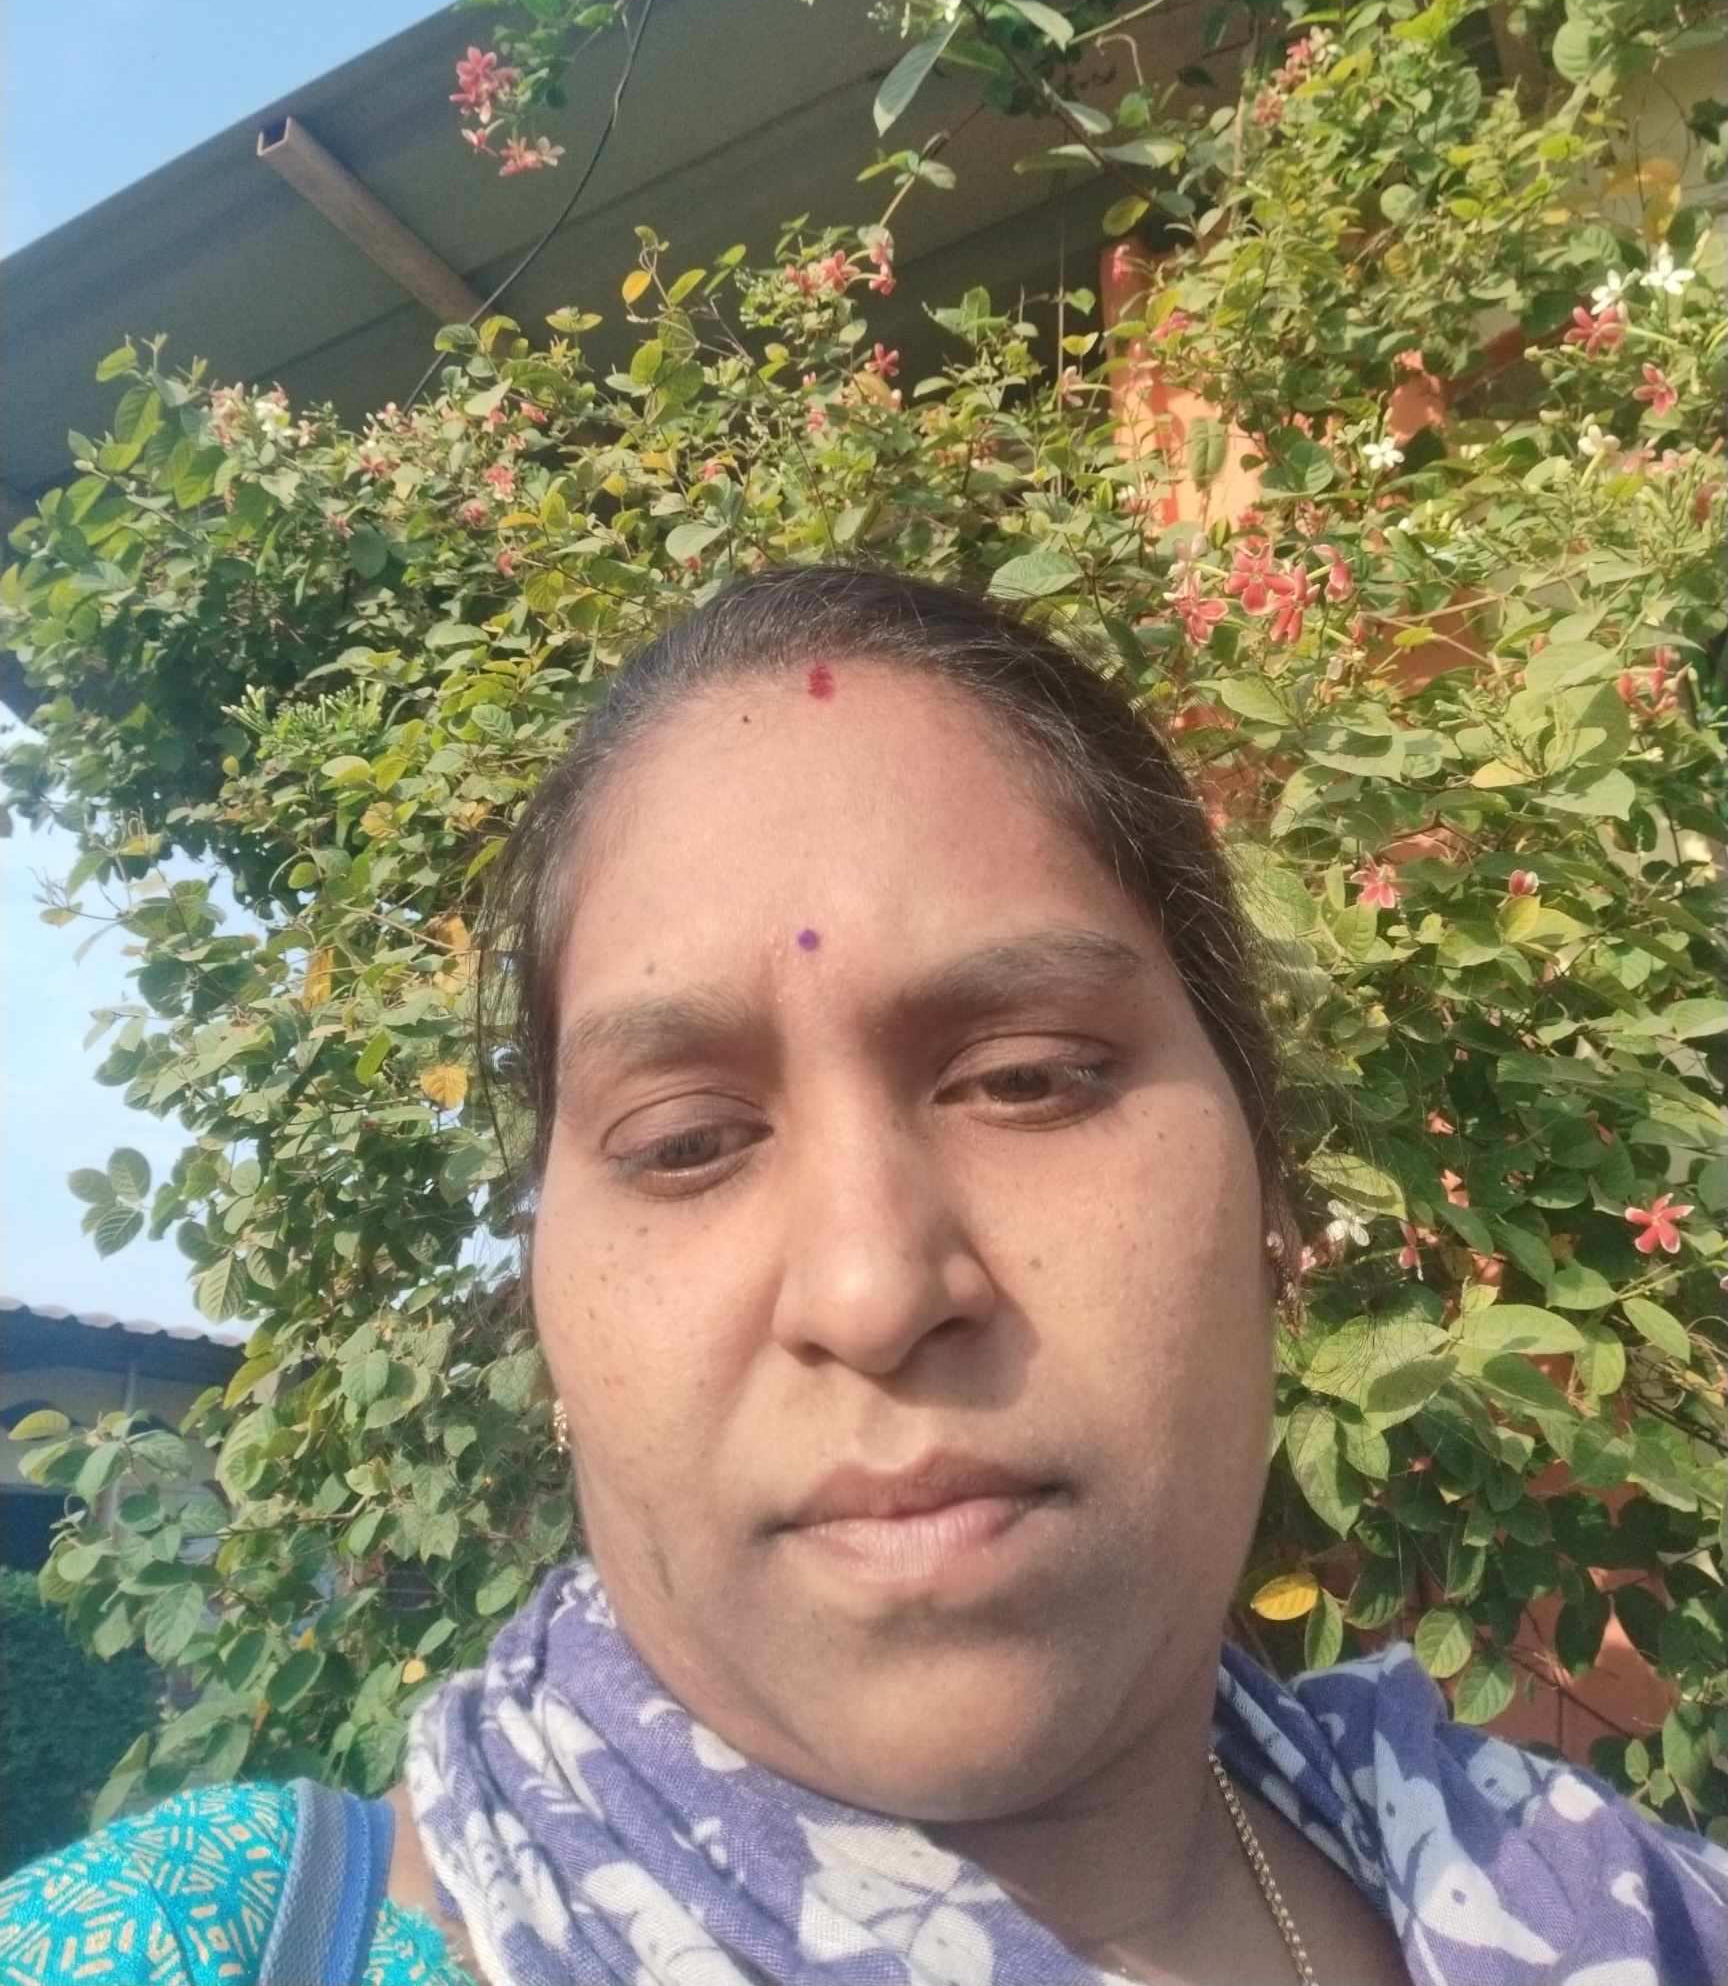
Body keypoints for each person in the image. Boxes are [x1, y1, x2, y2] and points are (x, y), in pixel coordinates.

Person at [3, 565, 1724, 1986]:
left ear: (1270, 1189)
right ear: (550, 1306)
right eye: (684, 1141)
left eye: (1029, 1077)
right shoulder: (190, 1949)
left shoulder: (1625, 1913)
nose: (872, 1288)